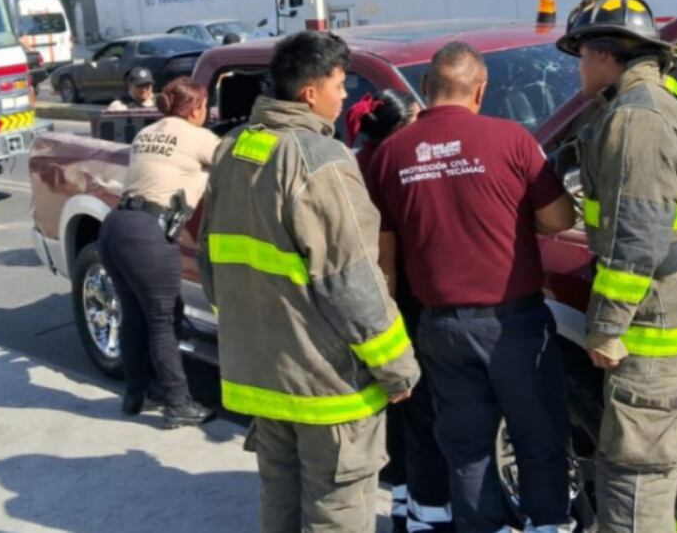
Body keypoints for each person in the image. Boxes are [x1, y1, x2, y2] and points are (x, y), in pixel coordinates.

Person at [197, 31, 421, 533]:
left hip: (267, 381)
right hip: (328, 389)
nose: (345, 97)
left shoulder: (233, 150)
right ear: (309, 93)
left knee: (280, 506)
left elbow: (212, 264)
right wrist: (398, 367)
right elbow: (352, 281)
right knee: (335, 514)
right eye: (339, 84)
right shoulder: (322, 163)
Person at [366, 42, 576, 533]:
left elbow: (385, 262)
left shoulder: (389, 155)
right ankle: (547, 524)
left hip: (439, 329)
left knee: (466, 448)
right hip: (515, 325)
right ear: (480, 90)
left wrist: (393, 341)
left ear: (425, 89)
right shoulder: (513, 140)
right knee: (538, 437)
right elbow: (558, 219)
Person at [556, 0, 677, 533]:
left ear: (606, 54)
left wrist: (607, 327)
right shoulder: (663, 99)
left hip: (655, 330)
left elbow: (634, 239)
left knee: (636, 477)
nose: (579, 66)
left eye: (581, 53)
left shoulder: (635, 121)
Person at [347, 90, 454, 532]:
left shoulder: (360, 160)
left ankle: (403, 503)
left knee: (398, 411)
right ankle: (426, 516)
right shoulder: (393, 161)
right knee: (421, 407)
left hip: (374, 301)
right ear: (397, 124)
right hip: (401, 298)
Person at [97, 77, 219, 428]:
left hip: (116, 226)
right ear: (196, 108)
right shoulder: (198, 137)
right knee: (164, 321)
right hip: (149, 233)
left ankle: (136, 394)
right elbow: (235, 162)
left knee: (134, 316)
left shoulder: (146, 133)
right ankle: (178, 403)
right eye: (205, 106)